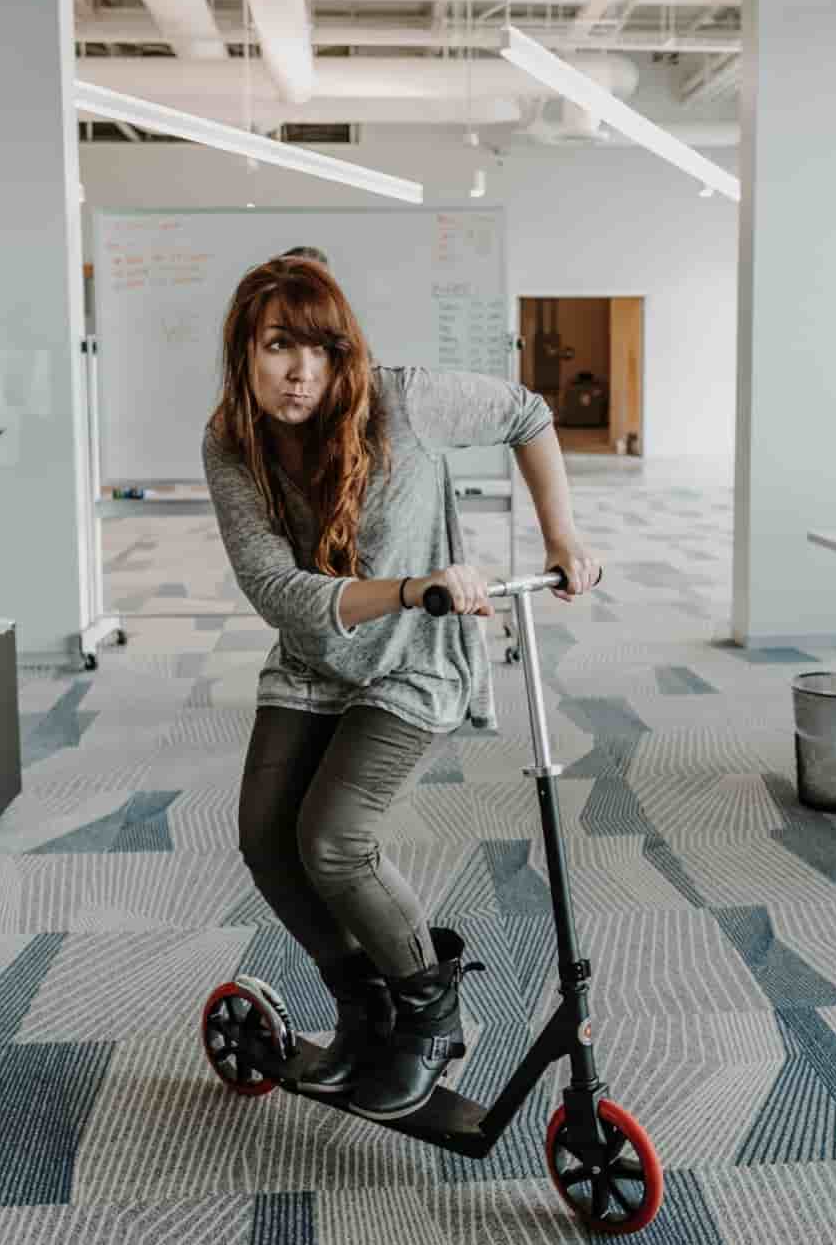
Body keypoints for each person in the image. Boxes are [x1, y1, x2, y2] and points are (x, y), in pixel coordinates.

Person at [204, 256, 598, 1122]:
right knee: (267, 842)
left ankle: (428, 1014)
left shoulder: (403, 401)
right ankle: (364, 1007)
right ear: (245, 353)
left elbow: (527, 413)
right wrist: (409, 584)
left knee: (334, 840)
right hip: (314, 657)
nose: (300, 369)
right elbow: (274, 587)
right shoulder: (231, 441)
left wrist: (562, 535)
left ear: (344, 355)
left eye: (319, 347)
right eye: (277, 346)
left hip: (417, 660)